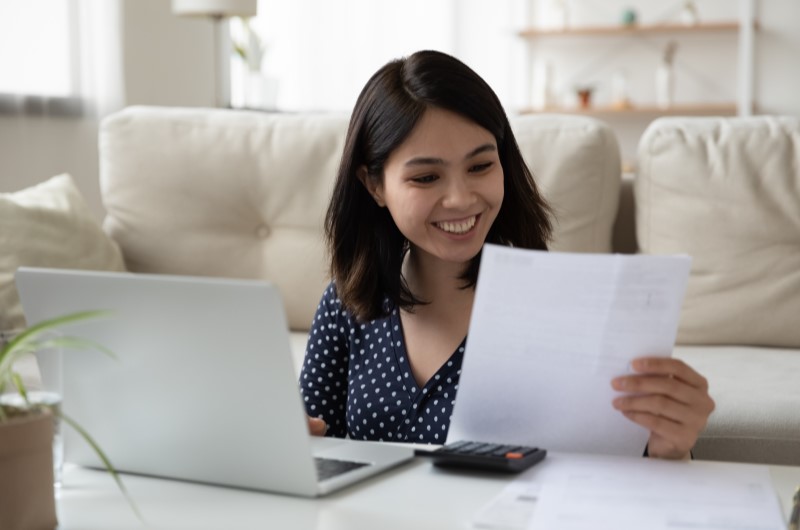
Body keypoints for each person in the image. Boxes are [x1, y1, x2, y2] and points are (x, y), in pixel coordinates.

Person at [299, 50, 714, 459]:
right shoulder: (346, 304)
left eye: (480, 166)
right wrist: (293, 440)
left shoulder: (564, 310)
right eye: (426, 177)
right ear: (374, 185)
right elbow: (314, 451)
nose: (461, 198)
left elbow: (623, 470)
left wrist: (671, 449)